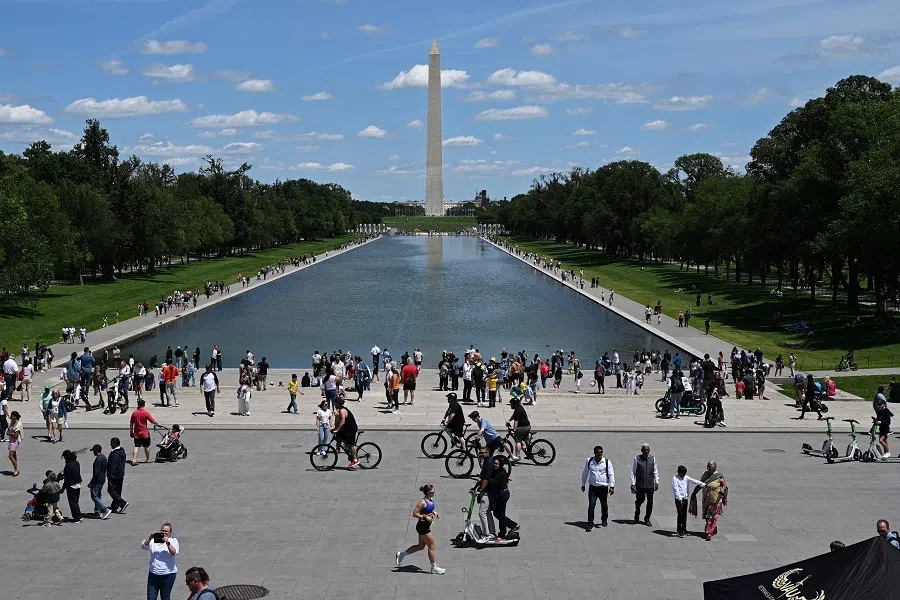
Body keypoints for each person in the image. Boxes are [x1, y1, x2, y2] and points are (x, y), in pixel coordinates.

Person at [396, 485, 445, 574]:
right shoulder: (422, 502)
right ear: (429, 492)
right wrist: (425, 517)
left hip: (425, 526)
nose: (435, 492)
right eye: (433, 491)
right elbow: (414, 513)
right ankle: (434, 567)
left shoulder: (430, 499)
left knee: (421, 546)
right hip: (423, 527)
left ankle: (401, 554)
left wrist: (434, 512)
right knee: (432, 546)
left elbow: (429, 509)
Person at [142, 522, 180, 600]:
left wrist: (167, 542)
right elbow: (143, 546)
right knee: (151, 597)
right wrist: (150, 538)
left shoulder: (173, 541)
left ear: (170, 533)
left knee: (165, 597)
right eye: (162, 530)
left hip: (168, 575)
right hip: (153, 574)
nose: (164, 532)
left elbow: (174, 553)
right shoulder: (154, 541)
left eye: (166, 531)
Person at [691, 461, 728, 541]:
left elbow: (724, 485)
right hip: (706, 499)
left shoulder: (719, 476)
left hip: (716, 500)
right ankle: (713, 529)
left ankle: (709, 533)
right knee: (707, 517)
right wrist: (695, 492)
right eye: (707, 466)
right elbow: (701, 483)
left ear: (715, 467)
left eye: (710, 467)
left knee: (712, 517)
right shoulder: (705, 474)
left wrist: (722, 489)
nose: (708, 468)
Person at [581, 445, 615, 530]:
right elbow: (585, 473)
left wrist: (612, 486)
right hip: (593, 488)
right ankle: (590, 523)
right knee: (591, 505)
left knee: (604, 505)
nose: (600, 453)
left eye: (601, 452)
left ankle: (604, 519)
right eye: (598, 452)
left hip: (603, 487)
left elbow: (611, 474)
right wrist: (583, 484)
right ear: (594, 452)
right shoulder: (589, 461)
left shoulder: (607, 462)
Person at [488, 455, 519, 540]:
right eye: (494, 463)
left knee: (500, 514)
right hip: (501, 494)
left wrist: (487, 479)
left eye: (497, 464)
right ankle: (513, 525)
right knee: (497, 513)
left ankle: (502, 534)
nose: (495, 465)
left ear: (501, 464)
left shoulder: (501, 474)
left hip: (503, 494)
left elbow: (494, 483)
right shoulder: (495, 471)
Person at [630, 444, 659, 526]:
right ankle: (637, 511)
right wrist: (633, 483)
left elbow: (655, 470)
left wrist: (656, 482)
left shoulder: (652, 459)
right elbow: (633, 472)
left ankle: (647, 519)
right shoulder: (637, 459)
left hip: (650, 484)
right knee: (640, 500)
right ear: (642, 450)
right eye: (645, 450)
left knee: (650, 502)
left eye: (648, 450)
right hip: (640, 484)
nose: (647, 451)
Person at [672, 466, 704, 537]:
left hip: (685, 498)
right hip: (678, 499)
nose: (684, 475)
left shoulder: (686, 477)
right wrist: (680, 499)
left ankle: (684, 529)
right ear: (679, 472)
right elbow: (676, 489)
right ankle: (679, 530)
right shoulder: (675, 479)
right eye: (683, 473)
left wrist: (703, 484)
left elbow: (694, 481)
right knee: (680, 514)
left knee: (684, 514)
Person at [473, 445, 496, 540]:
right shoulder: (487, 461)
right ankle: (491, 531)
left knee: (481, 512)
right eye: (480, 452)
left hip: (487, 491)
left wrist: (480, 491)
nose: (480, 454)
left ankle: (487, 534)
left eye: (482, 453)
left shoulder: (489, 463)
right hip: (488, 491)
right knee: (487, 512)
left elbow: (486, 480)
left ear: (488, 453)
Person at [332, 398, 359, 468]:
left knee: (351, 444)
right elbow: (338, 422)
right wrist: (335, 429)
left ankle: (355, 460)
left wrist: (336, 430)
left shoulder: (342, 410)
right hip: (346, 428)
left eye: (335, 403)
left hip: (351, 429)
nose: (334, 404)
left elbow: (342, 422)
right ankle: (348, 451)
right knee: (340, 437)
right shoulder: (339, 411)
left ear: (337, 404)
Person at [130, 399, 158, 465]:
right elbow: (153, 421)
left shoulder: (134, 413)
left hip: (137, 433)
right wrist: (156, 423)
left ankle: (134, 459)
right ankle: (148, 458)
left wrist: (131, 431)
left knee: (136, 446)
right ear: (144, 405)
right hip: (144, 433)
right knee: (146, 446)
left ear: (138, 405)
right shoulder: (146, 413)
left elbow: (131, 423)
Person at [88, 444, 112, 519]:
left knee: (94, 496)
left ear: (95, 451)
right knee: (98, 495)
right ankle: (97, 511)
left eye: (93, 451)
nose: (93, 453)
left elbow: (96, 473)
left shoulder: (98, 460)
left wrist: (91, 482)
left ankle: (105, 509)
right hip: (102, 479)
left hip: (97, 480)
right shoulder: (104, 457)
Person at [60, 449, 83, 523]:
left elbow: (67, 479)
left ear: (66, 457)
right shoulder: (76, 462)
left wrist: (63, 489)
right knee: (76, 501)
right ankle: (79, 515)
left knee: (72, 502)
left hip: (71, 485)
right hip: (78, 484)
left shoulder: (68, 465)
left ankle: (76, 518)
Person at [107, 437, 128, 513]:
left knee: (111, 490)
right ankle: (114, 506)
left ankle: (123, 503)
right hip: (121, 474)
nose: (110, 444)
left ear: (114, 444)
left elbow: (113, 466)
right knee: (117, 491)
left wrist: (110, 475)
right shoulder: (122, 451)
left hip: (114, 475)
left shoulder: (115, 454)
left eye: (111, 443)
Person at [506, 397, 530, 462]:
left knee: (518, 441)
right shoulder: (520, 407)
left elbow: (516, 421)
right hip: (527, 426)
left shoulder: (517, 410)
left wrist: (514, 430)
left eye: (511, 404)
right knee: (525, 439)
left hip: (522, 427)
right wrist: (509, 420)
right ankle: (529, 452)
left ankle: (517, 457)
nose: (511, 405)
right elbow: (514, 415)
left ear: (515, 404)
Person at [7, 410, 21, 476]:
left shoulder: (18, 425)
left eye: (12, 416)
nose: (10, 417)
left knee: (10, 456)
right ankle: (16, 469)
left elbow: (16, 435)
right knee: (14, 455)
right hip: (11, 440)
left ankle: (16, 470)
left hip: (15, 441)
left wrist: (9, 433)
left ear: (15, 417)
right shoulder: (12, 422)